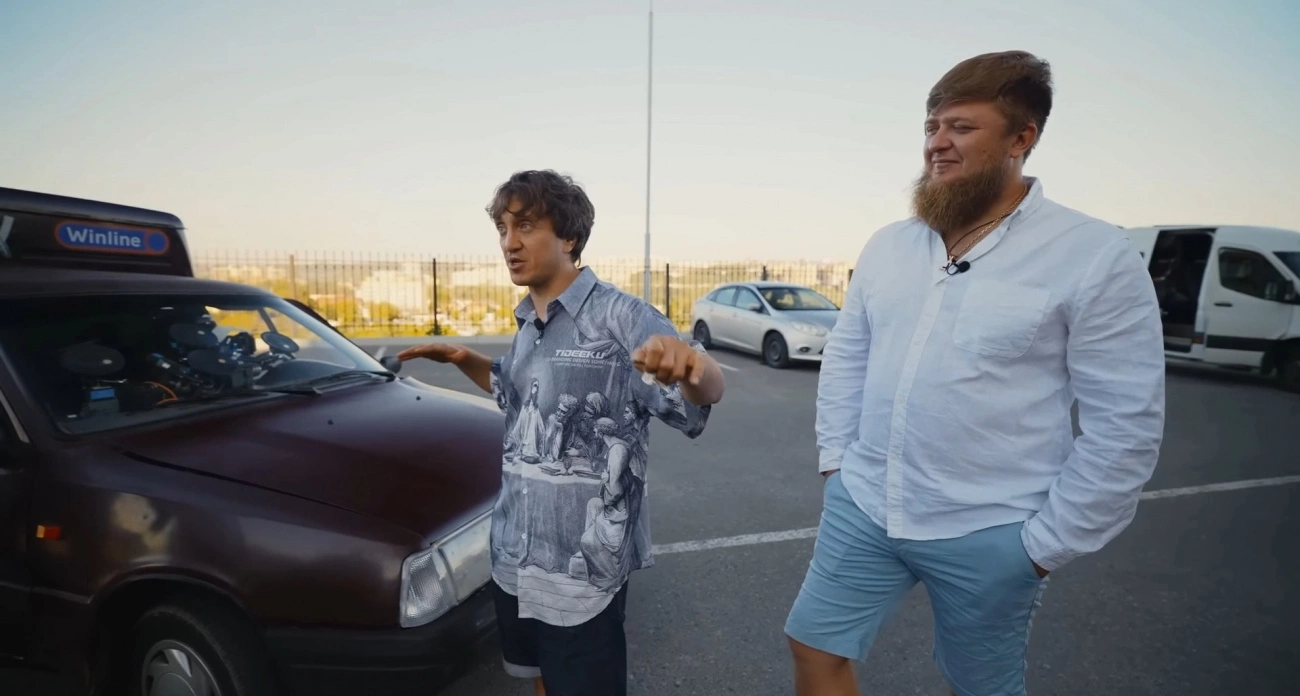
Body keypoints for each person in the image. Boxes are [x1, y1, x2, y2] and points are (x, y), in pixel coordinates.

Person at [784, 50, 1166, 696]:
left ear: (1022, 139)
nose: (937, 143)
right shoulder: (890, 244)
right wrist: (837, 466)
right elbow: (849, 356)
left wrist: (1043, 546)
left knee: (979, 687)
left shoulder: (1093, 254)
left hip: (991, 528)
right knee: (814, 645)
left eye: (961, 127)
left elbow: (1125, 423)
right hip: (866, 503)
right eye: (932, 126)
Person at [398, 169, 725, 696]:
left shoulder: (622, 317)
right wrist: (463, 358)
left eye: (526, 226)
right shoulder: (530, 322)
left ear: (568, 236)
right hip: (514, 555)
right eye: (503, 228)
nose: (509, 243)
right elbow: (514, 393)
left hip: (582, 577)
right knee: (541, 681)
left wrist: (693, 367)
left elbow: (698, 401)